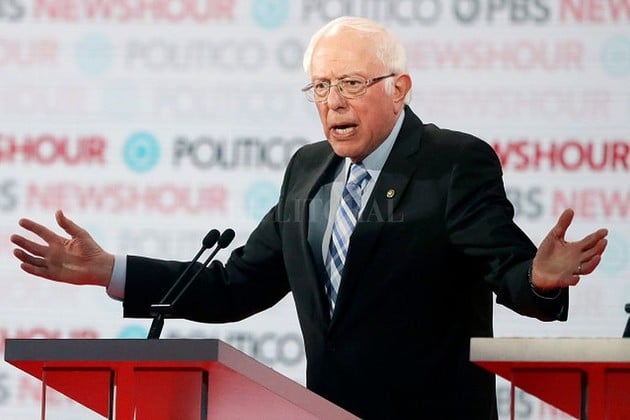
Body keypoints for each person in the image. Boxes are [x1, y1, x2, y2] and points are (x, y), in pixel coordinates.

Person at [11, 16, 608, 419]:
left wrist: (539, 278)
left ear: (399, 88)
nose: (333, 101)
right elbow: (236, 285)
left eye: (351, 82)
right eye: (320, 87)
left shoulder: (451, 163)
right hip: (324, 412)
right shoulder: (307, 169)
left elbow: (507, 269)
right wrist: (111, 271)